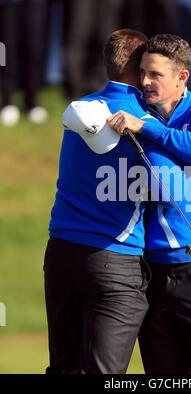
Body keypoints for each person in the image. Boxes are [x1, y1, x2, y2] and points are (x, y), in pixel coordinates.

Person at [108, 34, 191, 374]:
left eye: (156, 74)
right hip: (151, 273)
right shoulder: (138, 114)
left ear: (182, 77)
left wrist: (148, 129)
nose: (146, 82)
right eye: (143, 73)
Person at [43, 29, 167, 374]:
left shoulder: (80, 109)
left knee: (62, 369)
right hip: (115, 257)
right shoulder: (152, 121)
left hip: (61, 253)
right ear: (142, 68)